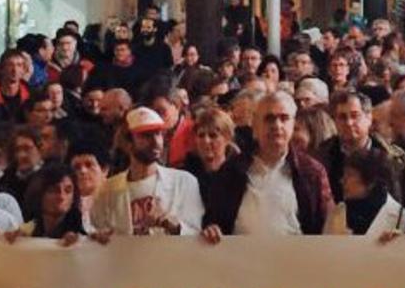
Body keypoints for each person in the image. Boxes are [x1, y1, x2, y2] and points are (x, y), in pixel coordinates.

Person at [200, 93, 330, 241]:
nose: (277, 125)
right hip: (239, 261)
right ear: (255, 125)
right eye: (269, 118)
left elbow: (323, 229)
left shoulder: (312, 172)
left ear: (293, 125)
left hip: (296, 260)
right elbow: (212, 222)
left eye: (284, 118)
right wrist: (212, 229)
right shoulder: (230, 171)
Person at [91, 108, 206, 238]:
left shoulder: (185, 182)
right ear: (128, 143)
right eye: (146, 135)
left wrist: (175, 226)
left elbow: (197, 235)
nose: (156, 142)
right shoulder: (107, 190)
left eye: (158, 134)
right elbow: (97, 236)